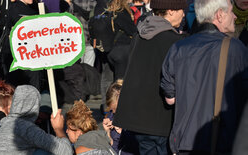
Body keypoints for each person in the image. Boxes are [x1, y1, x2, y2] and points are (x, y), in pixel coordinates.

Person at [160, 0, 248, 154]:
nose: (234, 16)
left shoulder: (178, 48)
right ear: (220, 15)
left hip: (183, 141)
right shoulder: (236, 49)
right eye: (231, 11)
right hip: (221, 141)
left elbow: (170, 98)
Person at [112, 0, 187, 154]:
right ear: (171, 11)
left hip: (137, 118)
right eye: (181, 9)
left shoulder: (140, 34)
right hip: (160, 120)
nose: (184, 14)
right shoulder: (174, 41)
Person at [0, 85, 73, 155]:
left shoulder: (3, 122)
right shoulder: (25, 127)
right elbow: (66, 151)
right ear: (35, 105)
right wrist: (58, 129)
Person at [102, 79, 139, 155]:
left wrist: (122, 132)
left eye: (116, 109)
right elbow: (111, 146)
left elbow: (139, 144)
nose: (114, 112)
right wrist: (107, 131)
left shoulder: (134, 117)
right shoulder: (111, 115)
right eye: (111, 109)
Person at [106, 0, 137, 80]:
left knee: (108, 79)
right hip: (122, 50)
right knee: (121, 81)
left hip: (109, 49)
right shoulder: (123, 13)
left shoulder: (108, 12)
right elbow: (132, 31)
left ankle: (108, 92)